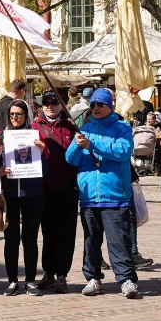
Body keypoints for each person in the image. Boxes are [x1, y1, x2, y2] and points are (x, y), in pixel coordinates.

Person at [65, 88, 140, 299]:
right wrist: (78, 146)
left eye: (101, 104)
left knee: (119, 241)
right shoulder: (85, 128)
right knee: (91, 241)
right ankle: (93, 277)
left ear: (110, 106)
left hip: (115, 195)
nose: (96, 108)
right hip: (89, 195)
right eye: (93, 105)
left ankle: (126, 280)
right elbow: (70, 159)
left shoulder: (122, 127)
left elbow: (123, 151)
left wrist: (93, 143)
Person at [32, 91, 78, 294]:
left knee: (66, 233)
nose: (49, 106)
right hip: (44, 188)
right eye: (46, 103)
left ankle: (62, 275)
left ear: (62, 104)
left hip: (68, 187)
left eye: (54, 102)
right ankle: (49, 272)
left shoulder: (71, 126)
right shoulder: (34, 128)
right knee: (48, 232)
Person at [0, 99, 45, 297]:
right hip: (10, 194)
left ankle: (31, 280)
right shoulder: (0, 137)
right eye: (12, 114)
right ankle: (12, 280)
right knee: (11, 238)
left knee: (30, 238)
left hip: (32, 193)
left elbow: (46, 170)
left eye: (19, 114)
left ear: (27, 116)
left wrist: (41, 153)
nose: (15, 118)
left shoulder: (35, 137)